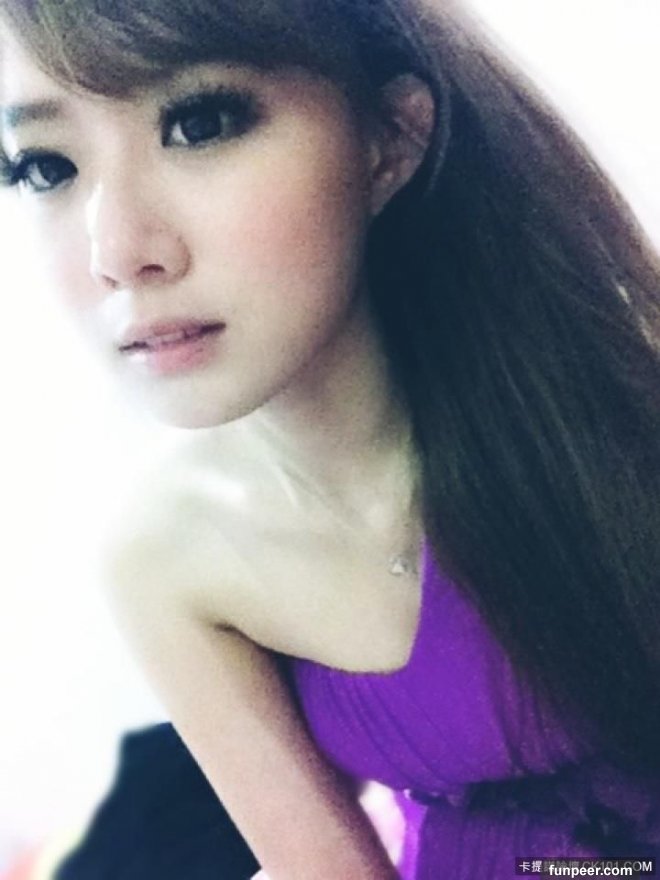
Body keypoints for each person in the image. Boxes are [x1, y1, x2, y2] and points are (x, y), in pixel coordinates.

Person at [1, 0, 660, 877]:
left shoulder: (622, 415)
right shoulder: (165, 559)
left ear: (388, 138)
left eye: (200, 123)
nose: (117, 252)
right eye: (44, 167)